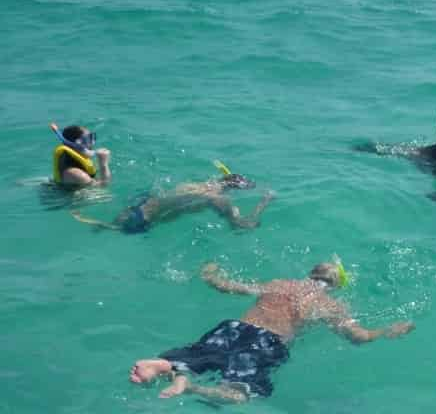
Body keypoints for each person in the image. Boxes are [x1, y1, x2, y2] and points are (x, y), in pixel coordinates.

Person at [129, 261, 415, 403]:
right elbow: (359, 337)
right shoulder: (330, 303)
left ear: (309, 274)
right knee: (240, 393)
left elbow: (230, 286)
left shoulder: (279, 283)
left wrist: (211, 273)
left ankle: (166, 365)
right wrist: (390, 329)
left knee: (200, 355)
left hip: (234, 327)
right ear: (336, 284)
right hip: (267, 343)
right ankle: (189, 387)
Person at [71, 173, 274, 232]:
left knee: (108, 225)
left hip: (141, 202)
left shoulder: (197, 183)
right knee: (111, 229)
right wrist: (264, 202)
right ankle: (96, 223)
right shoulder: (220, 199)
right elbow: (242, 226)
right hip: (142, 220)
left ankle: (89, 218)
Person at [51, 123, 111, 188]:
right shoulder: (77, 174)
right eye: (89, 138)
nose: (93, 143)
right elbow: (103, 187)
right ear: (77, 143)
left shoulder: (69, 161)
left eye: (93, 137)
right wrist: (103, 164)